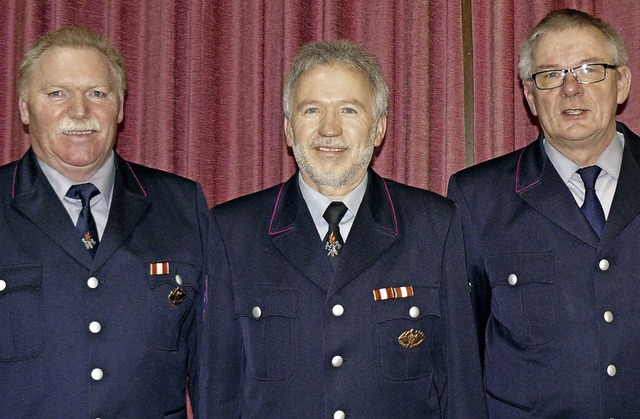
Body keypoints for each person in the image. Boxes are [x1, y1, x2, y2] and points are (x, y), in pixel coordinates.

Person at [199, 40, 486, 418]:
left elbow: (460, 385)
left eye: (349, 110)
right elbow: (218, 392)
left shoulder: (435, 225)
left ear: (379, 128)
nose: (329, 129)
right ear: (288, 128)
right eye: (312, 109)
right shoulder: (231, 232)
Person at [0, 26, 208, 417]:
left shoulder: (180, 205)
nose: (80, 112)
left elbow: (210, 362)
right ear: (25, 109)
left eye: (97, 93)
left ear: (122, 107)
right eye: (57, 93)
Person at [448, 9, 640, 417]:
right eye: (551, 75)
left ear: (622, 83)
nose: (571, 88)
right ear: (530, 97)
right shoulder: (478, 198)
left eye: (590, 69)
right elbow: (461, 349)